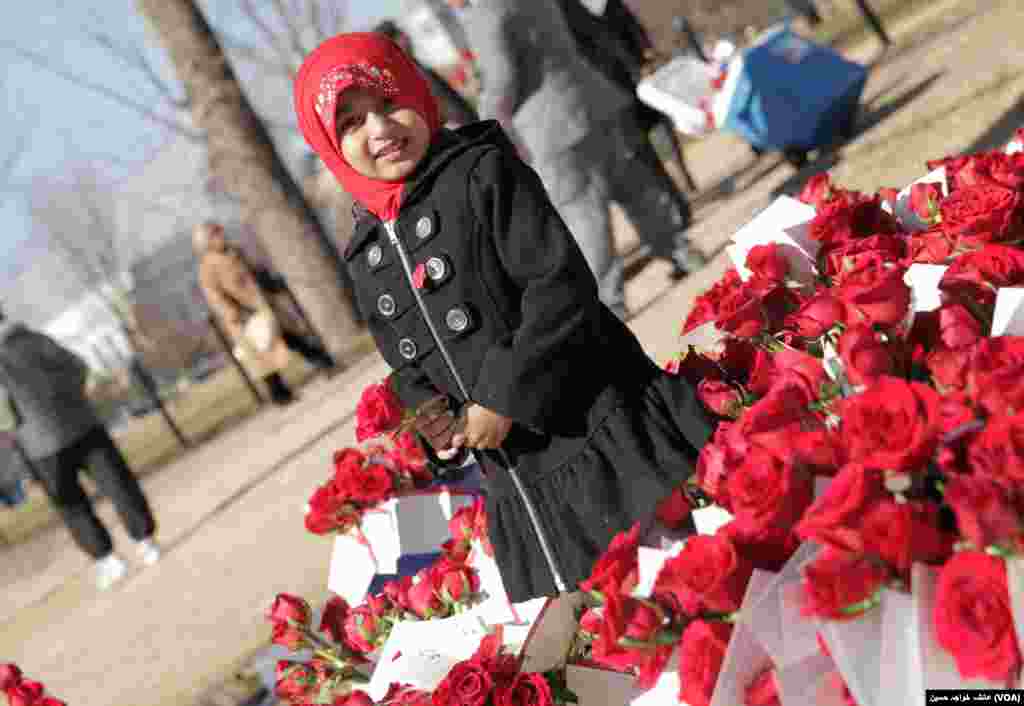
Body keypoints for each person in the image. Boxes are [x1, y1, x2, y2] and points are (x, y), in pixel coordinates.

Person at [293, 34, 715, 601]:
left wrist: (503, 397)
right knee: (594, 620)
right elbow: (404, 355)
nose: (380, 129)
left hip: (596, 430)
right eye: (350, 122)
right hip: (517, 481)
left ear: (419, 94)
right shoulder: (367, 248)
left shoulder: (482, 174)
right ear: (328, 143)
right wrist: (431, 418)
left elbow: (559, 287)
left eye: (389, 102)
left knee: (679, 586)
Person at [444, 0, 706, 318]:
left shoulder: (486, 13)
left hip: (550, 125)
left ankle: (611, 303)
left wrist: (487, 120)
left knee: (582, 215)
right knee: (638, 189)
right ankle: (682, 251)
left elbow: (501, 76)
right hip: (596, 99)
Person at [0, 308, 160, 590]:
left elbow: (4, 416)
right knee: (117, 484)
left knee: (72, 506)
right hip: (82, 424)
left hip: (40, 445)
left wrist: (15, 429)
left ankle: (108, 560)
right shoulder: (33, 339)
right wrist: (70, 399)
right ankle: (145, 542)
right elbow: (77, 366)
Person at [194, 221, 337, 406]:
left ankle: (325, 364)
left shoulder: (234, 251)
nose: (221, 236)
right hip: (244, 320)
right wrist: (235, 312)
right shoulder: (207, 268)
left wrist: (270, 282)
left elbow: (256, 272)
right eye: (215, 234)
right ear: (207, 241)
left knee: (291, 337)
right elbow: (215, 297)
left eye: (220, 231)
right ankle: (280, 395)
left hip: (263, 307)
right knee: (262, 359)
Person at [372, 20, 479, 129]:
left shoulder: (412, 67)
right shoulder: (410, 74)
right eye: (401, 35)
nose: (407, 37)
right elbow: (446, 107)